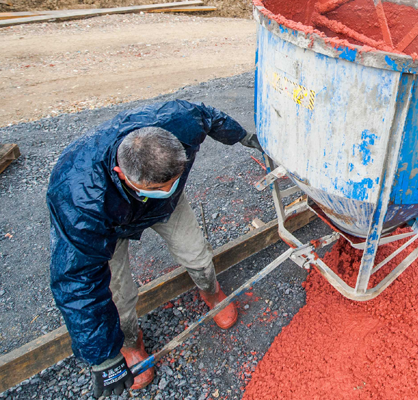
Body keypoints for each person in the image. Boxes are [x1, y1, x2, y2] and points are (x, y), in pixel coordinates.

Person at [47, 100, 263, 398]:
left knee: (197, 255)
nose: (168, 189)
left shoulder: (180, 122)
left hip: (164, 210)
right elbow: (76, 281)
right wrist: (103, 358)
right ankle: (131, 342)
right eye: (158, 187)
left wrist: (243, 136)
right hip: (110, 222)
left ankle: (212, 292)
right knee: (118, 293)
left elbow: (211, 118)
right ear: (122, 174)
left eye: (173, 182)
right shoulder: (80, 200)